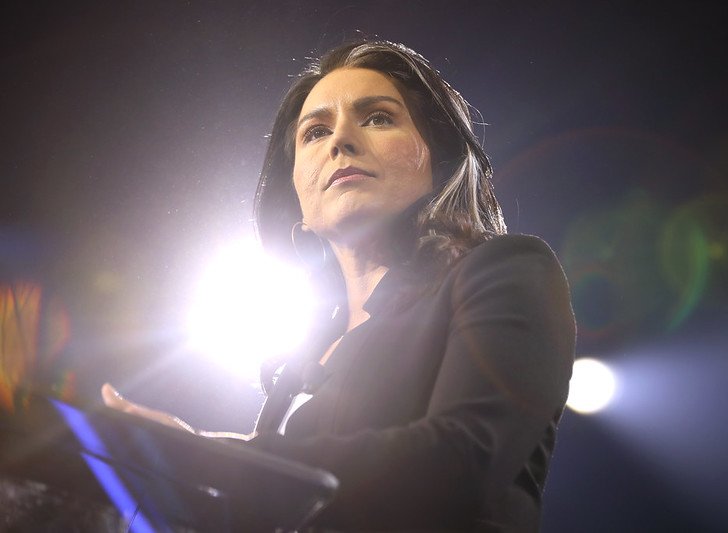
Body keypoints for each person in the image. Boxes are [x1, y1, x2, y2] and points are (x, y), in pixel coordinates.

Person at [104, 40, 575, 531]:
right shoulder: (298, 360)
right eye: (316, 132)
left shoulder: (507, 269)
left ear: (439, 160)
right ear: (298, 194)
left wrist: (202, 457)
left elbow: (461, 459)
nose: (340, 141)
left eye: (377, 118)